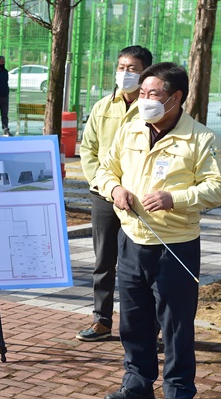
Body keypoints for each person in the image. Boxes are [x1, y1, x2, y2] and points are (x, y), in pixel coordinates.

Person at [97, 62, 221, 399]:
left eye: (154, 94)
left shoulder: (200, 138)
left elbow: (216, 188)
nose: (144, 99)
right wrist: (114, 190)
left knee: (176, 324)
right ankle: (136, 384)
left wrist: (174, 198)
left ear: (175, 97)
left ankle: (178, 388)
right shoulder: (130, 128)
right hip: (132, 239)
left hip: (175, 245)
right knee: (133, 321)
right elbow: (105, 170)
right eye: (142, 92)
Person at [76, 45, 153, 342]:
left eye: (132, 68)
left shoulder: (151, 107)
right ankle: (102, 320)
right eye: (121, 67)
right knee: (103, 260)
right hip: (105, 195)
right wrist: (104, 184)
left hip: (140, 198)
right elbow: (88, 150)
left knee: (142, 264)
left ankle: (145, 326)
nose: (125, 73)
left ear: (145, 72)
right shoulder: (102, 106)